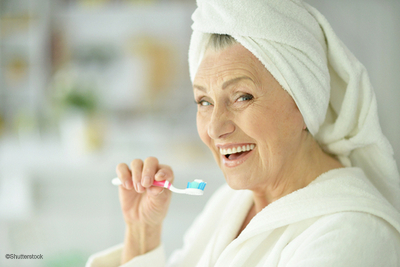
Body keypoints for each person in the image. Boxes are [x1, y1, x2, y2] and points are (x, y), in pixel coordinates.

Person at [86, 0, 400, 266]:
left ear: (304, 102)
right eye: (204, 101)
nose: (214, 127)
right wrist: (141, 234)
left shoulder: (352, 236)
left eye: (242, 97)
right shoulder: (230, 203)